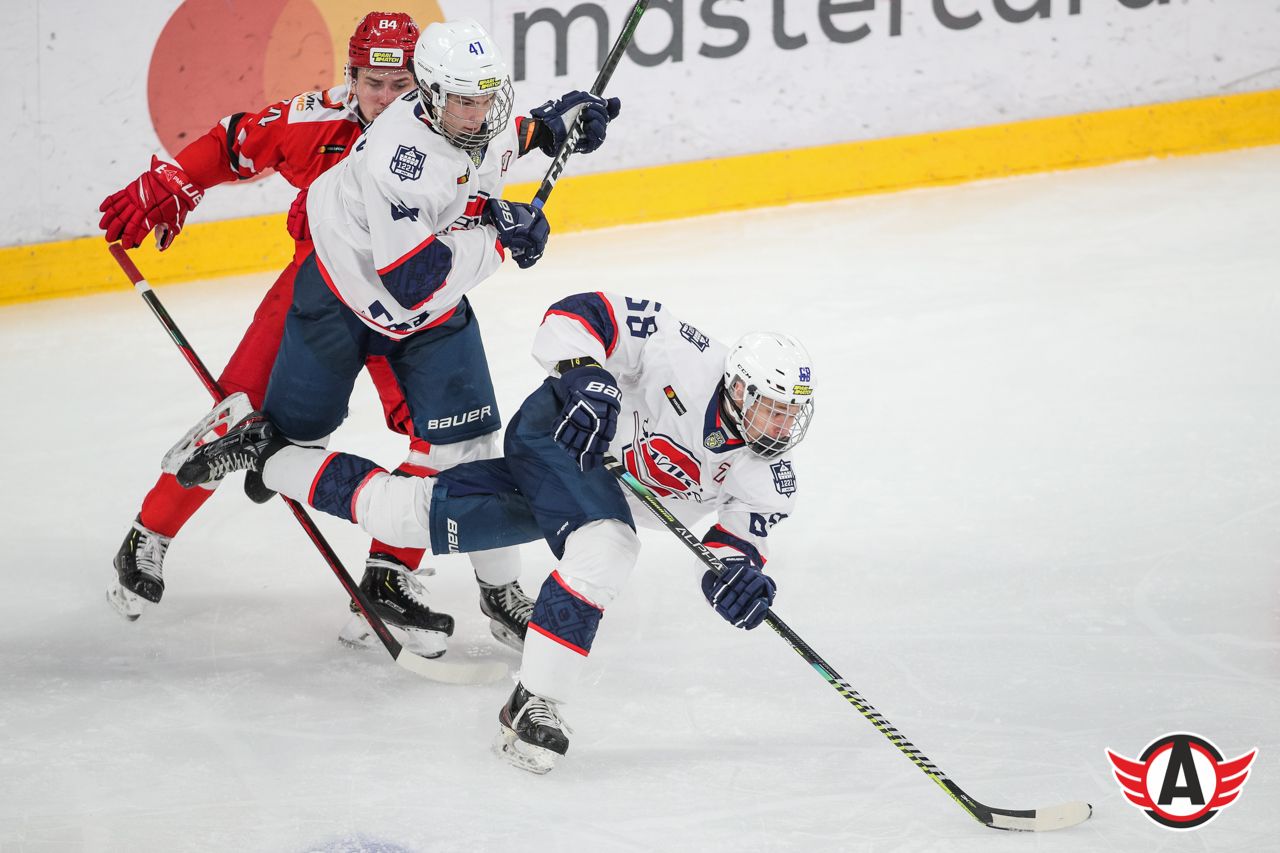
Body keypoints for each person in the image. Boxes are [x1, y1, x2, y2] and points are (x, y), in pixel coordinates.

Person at [171, 291, 815, 775]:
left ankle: (265, 453)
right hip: (560, 435)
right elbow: (579, 313)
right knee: (608, 545)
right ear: (735, 387)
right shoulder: (685, 353)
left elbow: (733, 548)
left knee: (408, 514)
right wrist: (585, 373)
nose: (778, 427)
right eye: (769, 408)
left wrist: (737, 579)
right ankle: (533, 704)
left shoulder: (771, 475)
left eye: (789, 415)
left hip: (589, 486)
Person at [101, 12, 533, 658]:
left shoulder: (446, 124)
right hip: (321, 287)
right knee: (239, 415)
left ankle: (388, 577)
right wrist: (177, 178)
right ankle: (150, 533)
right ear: (349, 77)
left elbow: (503, 133)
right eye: (371, 83)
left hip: (409, 305)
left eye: (399, 84)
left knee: (444, 437)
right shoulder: (318, 120)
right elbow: (236, 140)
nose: (384, 97)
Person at [250, 16, 622, 659]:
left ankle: (481, 588)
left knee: (471, 443)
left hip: (430, 316)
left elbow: (499, 139)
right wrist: (500, 237)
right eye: (465, 101)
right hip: (346, 293)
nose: (480, 113)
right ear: (429, 95)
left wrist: (555, 125)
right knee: (295, 438)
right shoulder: (401, 159)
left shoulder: (466, 113)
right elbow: (413, 281)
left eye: (487, 97)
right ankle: (257, 450)